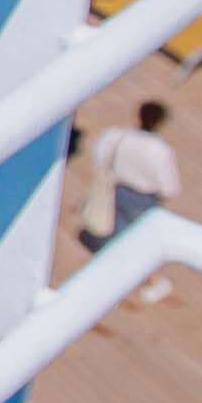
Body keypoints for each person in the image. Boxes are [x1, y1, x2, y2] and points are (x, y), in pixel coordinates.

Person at [80, 103, 181, 303]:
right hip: (143, 199)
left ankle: (112, 270)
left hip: (117, 189)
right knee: (144, 240)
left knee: (114, 230)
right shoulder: (160, 151)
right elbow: (170, 188)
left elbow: (100, 154)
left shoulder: (118, 137)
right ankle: (151, 282)